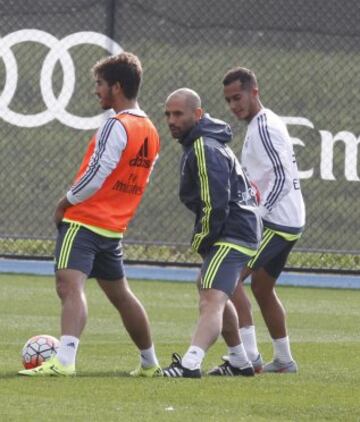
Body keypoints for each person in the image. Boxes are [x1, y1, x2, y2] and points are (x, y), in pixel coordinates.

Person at [18, 52, 162, 377]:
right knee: (121, 295)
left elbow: (97, 173)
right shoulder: (151, 130)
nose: (96, 90)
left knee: (69, 286)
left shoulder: (116, 124)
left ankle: (64, 362)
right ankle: (150, 363)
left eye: (99, 84)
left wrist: (64, 203)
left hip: (85, 220)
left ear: (117, 86)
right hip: (112, 226)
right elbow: (140, 180)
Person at [162, 88, 262, 378]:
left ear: (197, 114)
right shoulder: (202, 143)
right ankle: (240, 361)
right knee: (212, 289)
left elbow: (215, 201)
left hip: (233, 232)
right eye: (168, 114)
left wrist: (203, 237)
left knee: (211, 298)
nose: (171, 120)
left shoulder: (204, 147)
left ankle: (191, 364)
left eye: (178, 114)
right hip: (239, 231)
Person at [221, 67, 306, 373]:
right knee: (261, 287)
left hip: (276, 223)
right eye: (229, 100)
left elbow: (282, 176)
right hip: (287, 220)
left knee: (227, 278)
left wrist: (257, 214)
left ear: (254, 92)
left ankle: (250, 357)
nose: (234, 105)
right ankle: (283, 360)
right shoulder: (260, 123)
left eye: (238, 97)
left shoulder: (265, 127)